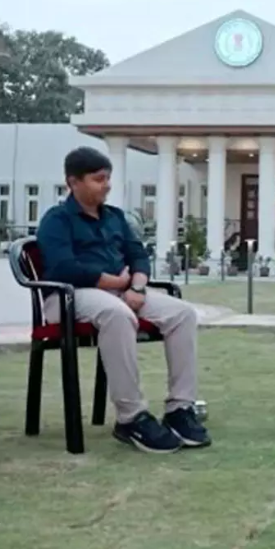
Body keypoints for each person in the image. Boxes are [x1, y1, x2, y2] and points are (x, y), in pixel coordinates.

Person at [36, 146, 209, 454]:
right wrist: (115, 282)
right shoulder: (56, 220)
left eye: (108, 178)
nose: (106, 185)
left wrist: (137, 288)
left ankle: (180, 409)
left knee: (182, 313)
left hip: (121, 293)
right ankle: (131, 417)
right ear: (73, 182)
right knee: (117, 315)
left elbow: (138, 256)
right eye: (98, 179)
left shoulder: (115, 217)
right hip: (68, 297)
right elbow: (64, 267)